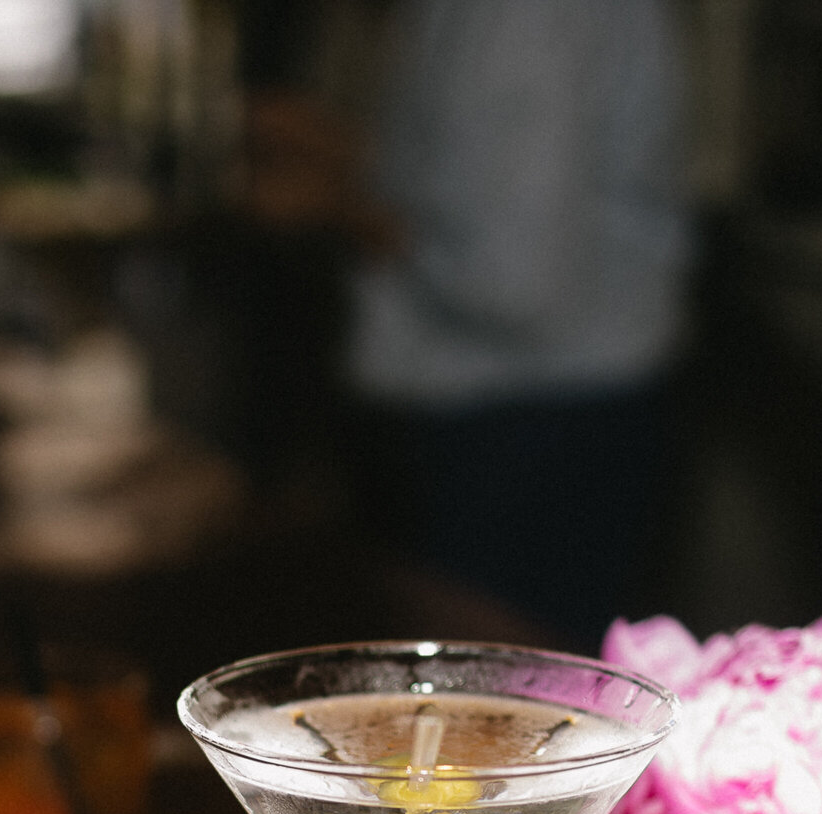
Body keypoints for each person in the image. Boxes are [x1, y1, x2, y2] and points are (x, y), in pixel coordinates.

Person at [246, 0, 693, 651]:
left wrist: (339, 198)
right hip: (527, 421)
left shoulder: (520, 15)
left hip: (536, 433)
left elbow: (512, 282)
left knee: (510, 718)